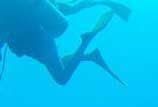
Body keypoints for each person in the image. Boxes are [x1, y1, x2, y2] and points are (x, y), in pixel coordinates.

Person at [0, 0, 129, 85]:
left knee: (61, 77)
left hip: (37, 35)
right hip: (40, 20)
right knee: (72, 8)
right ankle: (87, 55)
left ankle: (86, 42)